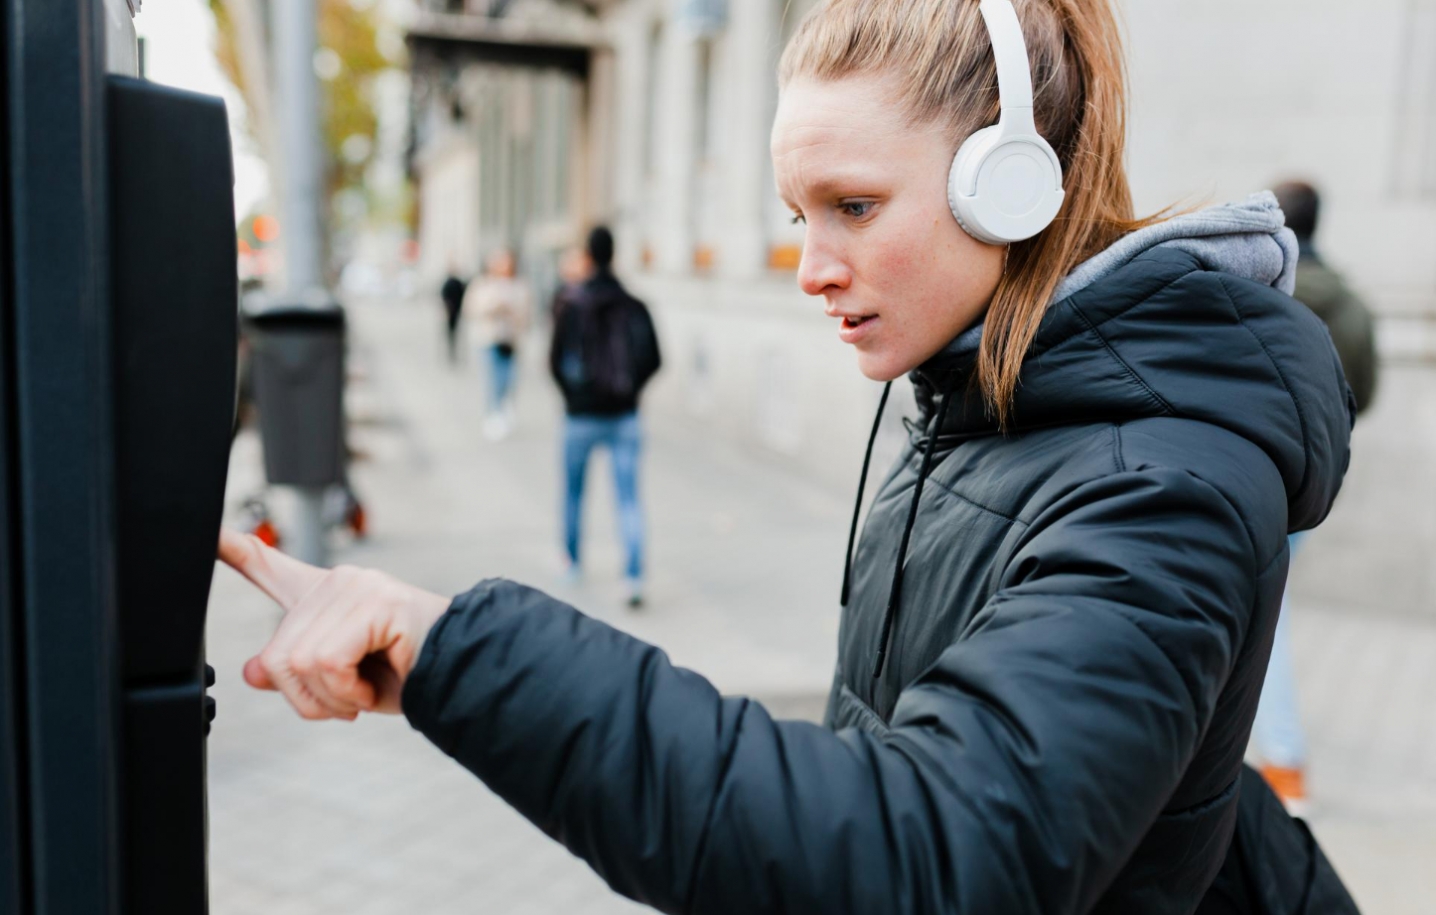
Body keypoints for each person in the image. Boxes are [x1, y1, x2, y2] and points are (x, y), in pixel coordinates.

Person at [218, 1, 1360, 911]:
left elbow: (938, 856)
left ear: (1010, 187)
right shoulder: (976, 409)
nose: (807, 265)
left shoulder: (1157, 485)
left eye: (851, 206)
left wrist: (454, 651)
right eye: (794, 211)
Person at [1252, 180, 1379, 814]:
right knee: (1264, 604)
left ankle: (1284, 760)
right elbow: (1368, 394)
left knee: (1262, 612)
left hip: (1254, 468)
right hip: (1315, 478)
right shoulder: (1352, 305)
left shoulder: (1268, 287)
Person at [549, 227, 661, 607]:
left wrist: (572, 396)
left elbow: (553, 361)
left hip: (579, 416)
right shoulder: (633, 303)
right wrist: (630, 392)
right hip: (624, 415)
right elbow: (654, 359)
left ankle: (571, 562)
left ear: (588, 254)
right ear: (614, 253)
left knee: (573, 493)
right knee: (629, 498)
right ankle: (633, 577)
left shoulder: (570, 302)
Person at [464, 247, 533, 440]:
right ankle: (493, 414)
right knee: (493, 379)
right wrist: (494, 307)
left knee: (509, 378)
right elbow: (472, 309)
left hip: (510, 340)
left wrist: (512, 312)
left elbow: (526, 315)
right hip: (489, 339)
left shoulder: (519, 286)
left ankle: (505, 408)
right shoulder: (482, 284)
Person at [439, 264, 467, 365]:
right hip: (451, 311)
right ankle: (451, 352)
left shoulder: (456, 283)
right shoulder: (450, 283)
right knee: (451, 333)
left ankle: (453, 351)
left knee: (453, 332)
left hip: (455, 311)